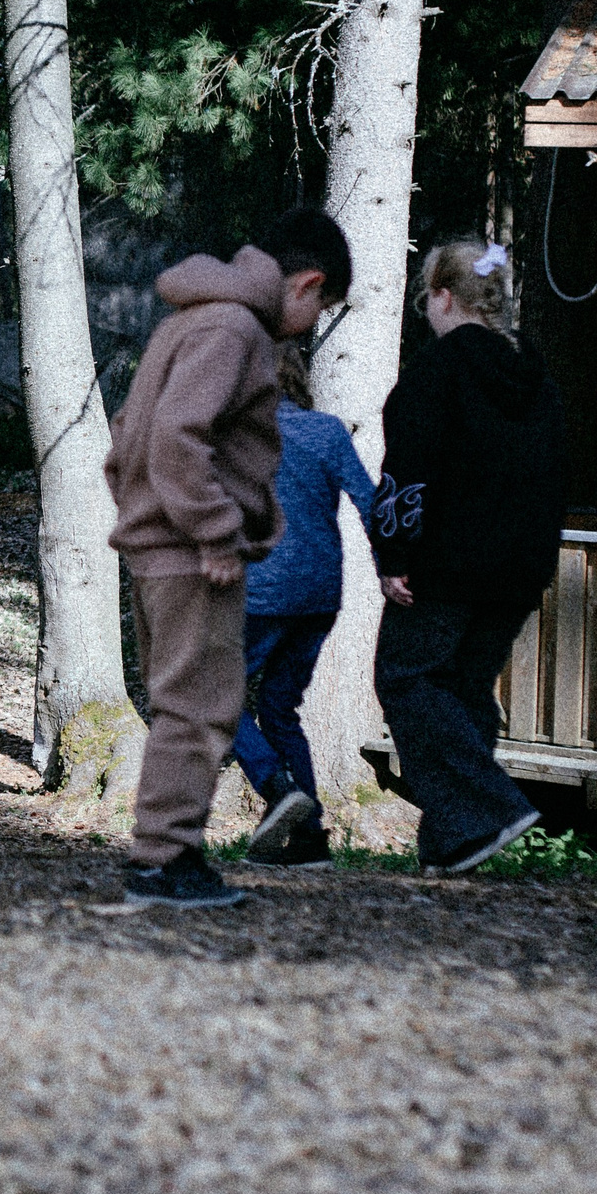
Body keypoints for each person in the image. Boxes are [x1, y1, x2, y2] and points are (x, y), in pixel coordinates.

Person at [106, 208, 351, 909]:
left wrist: (141, 514)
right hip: (193, 553)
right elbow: (180, 437)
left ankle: (166, 855)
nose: (310, 324)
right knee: (204, 706)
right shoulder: (235, 329)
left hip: (161, 542)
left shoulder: (189, 320)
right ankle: (165, 863)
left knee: (184, 702)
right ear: (307, 283)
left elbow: (127, 433)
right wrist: (214, 530)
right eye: (321, 308)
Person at [370, 237, 565, 876]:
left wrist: (392, 552)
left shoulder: (438, 368)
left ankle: (489, 807)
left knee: (406, 678)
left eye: (427, 297)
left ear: (445, 297)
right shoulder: (535, 373)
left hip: (446, 565)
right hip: (519, 569)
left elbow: (408, 468)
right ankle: (453, 846)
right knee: (463, 691)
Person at [233, 343, 376, 869]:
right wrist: (390, 570)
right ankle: (311, 840)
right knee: (277, 705)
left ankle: (275, 784)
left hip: (263, 592)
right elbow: (369, 501)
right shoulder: (329, 431)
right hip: (320, 596)